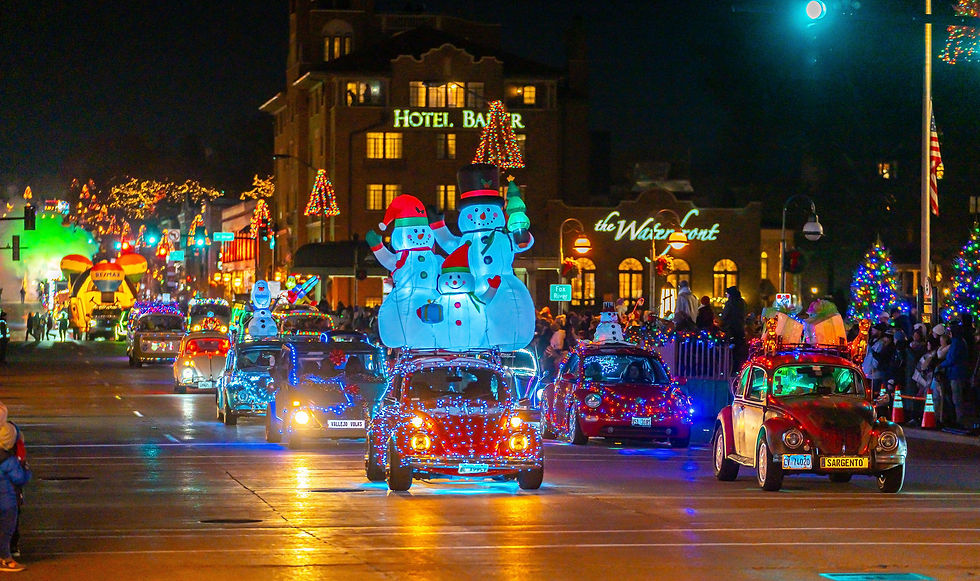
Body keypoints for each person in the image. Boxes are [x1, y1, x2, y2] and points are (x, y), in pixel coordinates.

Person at [0, 403, 29, 572]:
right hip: (8, 497)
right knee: (8, 523)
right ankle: (6, 556)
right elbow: (20, 477)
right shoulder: (7, 457)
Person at [938, 324, 969, 428]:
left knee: (957, 398)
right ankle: (958, 418)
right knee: (956, 397)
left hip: (955, 374)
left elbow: (951, 359)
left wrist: (940, 365)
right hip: (957, 373)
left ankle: (959, 420)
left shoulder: (956, 343)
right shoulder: (961, 342)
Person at [720, 286, 747, 373]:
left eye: (727, 294)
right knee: (738, 351)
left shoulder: (730, 303)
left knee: (730, 351)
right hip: (740, 329)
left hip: (731, 330)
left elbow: (725, 316)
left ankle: (730, 370)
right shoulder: (741, 302)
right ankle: (738, 369)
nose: (726, 295)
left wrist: (722, 324)